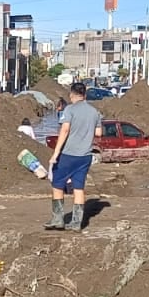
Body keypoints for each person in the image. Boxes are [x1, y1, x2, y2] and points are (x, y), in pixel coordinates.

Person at [46, 81, 100, 232]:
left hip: (69, 154)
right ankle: (76, 223)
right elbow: (99, 133)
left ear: (72, 94)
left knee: (57, 185)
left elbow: (64, 130)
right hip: (85, 156)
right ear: (84, 95)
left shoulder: (70, 109)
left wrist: (55, 154)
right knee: (78, 188)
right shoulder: (94, 112)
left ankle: (58, 219)